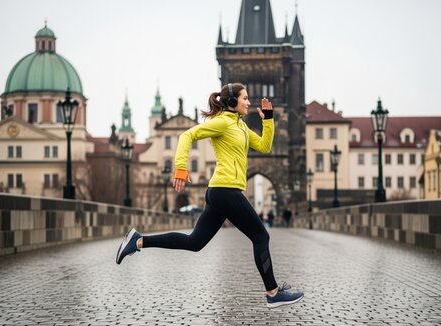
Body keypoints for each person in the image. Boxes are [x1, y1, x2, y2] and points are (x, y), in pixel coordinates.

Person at [116, 83, 304, 308]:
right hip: (225, 190)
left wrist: (269, 119)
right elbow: (188, 135)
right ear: (233, 102)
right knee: (261, 236)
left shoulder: (241, 128)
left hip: (221, 192)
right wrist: (181, 168)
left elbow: (265, 146)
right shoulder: (222, 123)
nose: (248, 102)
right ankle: (273, 293)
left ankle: (138, 241)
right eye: (245, 98)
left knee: (194, 242)